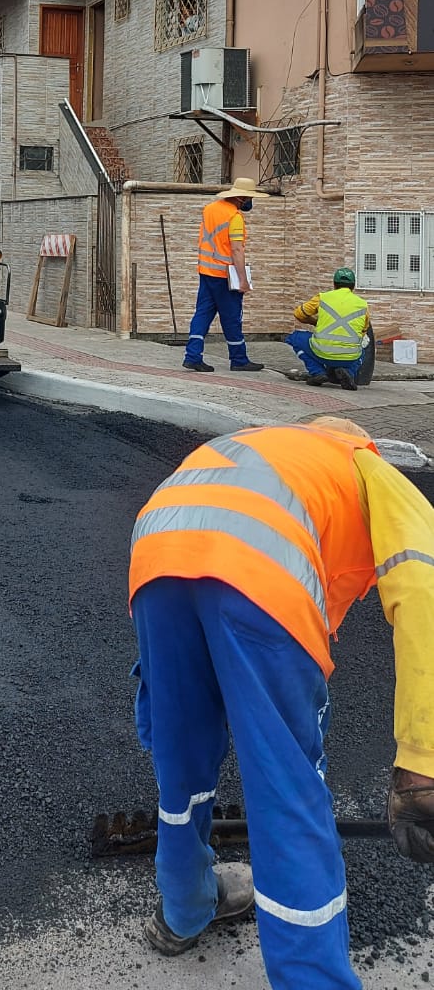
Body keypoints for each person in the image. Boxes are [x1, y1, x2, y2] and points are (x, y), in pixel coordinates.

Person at [128, 414, 434, 987]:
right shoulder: (369, 469)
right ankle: (312, 978)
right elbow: (424, 594)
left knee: (182, 757)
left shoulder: (272, 450)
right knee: (287, 787)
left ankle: (185, 909)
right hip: (259, 574)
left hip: (157, 554)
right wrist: (424, 764)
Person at [183, 175, 268, 374]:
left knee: (202, 314)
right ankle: (239, 359)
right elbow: (236, 250)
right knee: (232, 317)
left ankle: (192, 356)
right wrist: (244, 281)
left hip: (206, 271)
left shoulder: (210, 209)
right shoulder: (235, 217)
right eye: (249, 198)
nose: (250, 202)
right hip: (224, 275)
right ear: (241, 198)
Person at [286, 268, 370, 392]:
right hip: (350, 357)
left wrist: (314, 322)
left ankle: (318, 372)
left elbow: (299, 314)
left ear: (334, 284)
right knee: (362, 350)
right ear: (353, 286)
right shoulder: (363, 305)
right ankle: (349, 372)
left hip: (321, 352)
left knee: (294, 338)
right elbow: (363, 331)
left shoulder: (323, 298)